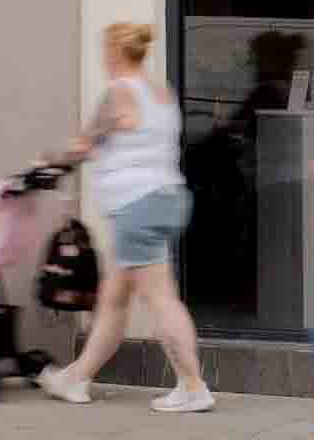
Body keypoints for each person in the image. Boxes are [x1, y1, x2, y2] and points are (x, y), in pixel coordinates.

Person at [38, 22, 215, 414]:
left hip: (138, 207)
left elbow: (83, 146)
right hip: (165, 199)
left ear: (114, 53)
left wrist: (46, 160)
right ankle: (76, 378)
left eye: (105, 52)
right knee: (115, 298)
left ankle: (193, 386)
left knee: (161, 297)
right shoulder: (160, 92)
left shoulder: (119, 93)